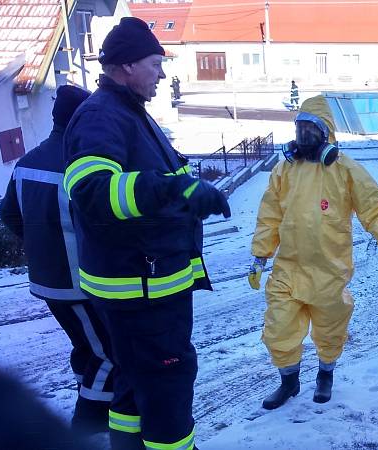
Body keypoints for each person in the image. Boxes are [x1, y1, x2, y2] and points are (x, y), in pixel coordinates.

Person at [63, 17, 230, 450]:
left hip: (145, 286)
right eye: (155, 63)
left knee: (133, 387)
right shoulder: (102, 115)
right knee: (167, 384)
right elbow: (92, 190)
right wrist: (175, 187)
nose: (161, 73)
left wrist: (181, 190)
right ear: (127, 66)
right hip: (141, 292)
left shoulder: (126, 112)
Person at [248, 95, 378, 410]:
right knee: (278, 329)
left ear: (327, 134)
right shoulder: (285, 171)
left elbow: (374, 209)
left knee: (330, 330)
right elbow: (269, 214)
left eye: (311, 132)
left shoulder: (347, 170)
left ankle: (325, 374)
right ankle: (289, 382)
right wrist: (260, 256)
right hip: (288, 269)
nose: (303, 139)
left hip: (329, 269)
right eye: (300, 131)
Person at [0, 85, 114, 436]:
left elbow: (9, 215)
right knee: (110, 354)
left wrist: (39, 244)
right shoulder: (79, 168)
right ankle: (89, 422)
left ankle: (89, 392)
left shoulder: (26, 163)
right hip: (79, 283)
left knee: (86, 345)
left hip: (46, 281)